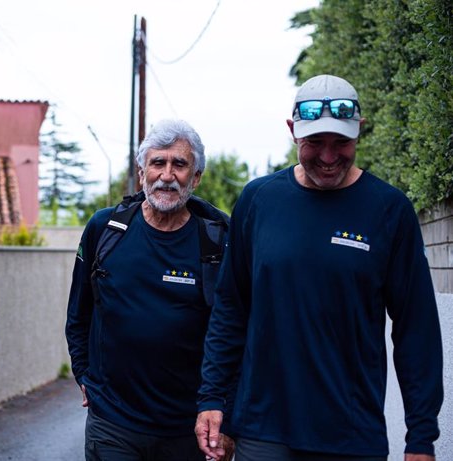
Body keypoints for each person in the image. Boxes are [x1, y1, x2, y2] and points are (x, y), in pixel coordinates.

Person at [195, 74, 444, 461]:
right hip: (263, 431)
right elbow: (231, 309)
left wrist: (421, 438)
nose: (328, 158)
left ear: (359, 131)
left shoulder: (390, 211)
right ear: (293, 132)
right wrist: (213, 398)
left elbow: (417, 330)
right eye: (315, 143)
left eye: (341, 142)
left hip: (352, 435)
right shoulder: (258, 201)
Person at [65, 119, 233, 461]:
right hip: (112, 423)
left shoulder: (218, 241)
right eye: (158, 163)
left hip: (189, 427)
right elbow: (78, 312)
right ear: (142, 171)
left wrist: (224, 412)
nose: (167, 175)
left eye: (179, 165)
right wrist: (84, 373)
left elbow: (232, 330)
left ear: (196, 177)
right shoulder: (105, 229)